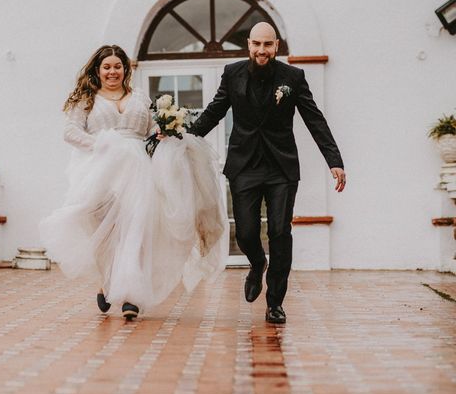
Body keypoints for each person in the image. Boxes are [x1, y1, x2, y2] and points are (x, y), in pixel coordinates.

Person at [40, 45, 228, 320]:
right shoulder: (87, 99)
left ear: (125, 70)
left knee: (137, 229)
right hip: (101, 171)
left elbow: (152, 129)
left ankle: (131, 296)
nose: (112, 71)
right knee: (105, 232)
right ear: (98, 70)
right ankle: (107, 282)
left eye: (117, 66)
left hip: (139, 171)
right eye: (107, 67)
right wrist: (101, 144)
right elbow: (70, 131)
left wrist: (164, 132)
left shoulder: (138, 97)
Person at [189, 22, 346, 324]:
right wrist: (182, 136)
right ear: (249, 45)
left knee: (279, 232)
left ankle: (275, 302)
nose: (262, 50)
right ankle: (257, 262)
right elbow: (214, 111)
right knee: (247, 233)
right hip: (244, 166)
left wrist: (334, 160)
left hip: (281, 167)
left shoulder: (293, 77)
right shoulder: (232, 73)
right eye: (257, 44)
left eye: (268, 45)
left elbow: (315, 120)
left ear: (276, 46)